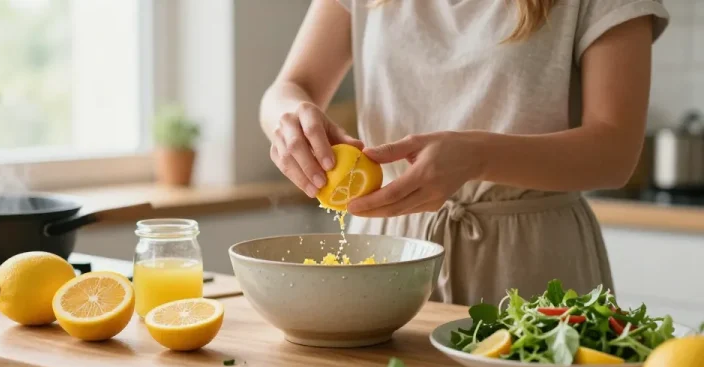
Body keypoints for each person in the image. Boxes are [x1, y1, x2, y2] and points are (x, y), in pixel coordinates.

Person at [259, 0, 669, 306]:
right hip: (388, 259)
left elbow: (616, 152)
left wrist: (479, 157)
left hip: (530, 259)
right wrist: (291, 119)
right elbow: (290, 87)